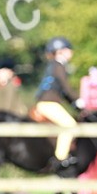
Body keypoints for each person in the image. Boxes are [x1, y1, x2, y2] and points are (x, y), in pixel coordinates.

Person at [34, 37, 81, 172]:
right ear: (60, 51)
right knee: (70, 125)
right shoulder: (58, 65)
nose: (71, 52)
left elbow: (63, 91)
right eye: (68, 50)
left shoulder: (54, 65)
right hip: (48, 103)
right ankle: (61, 158)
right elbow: (66, 87)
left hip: (48, 102)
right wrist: (78, 100)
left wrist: (73, 103)